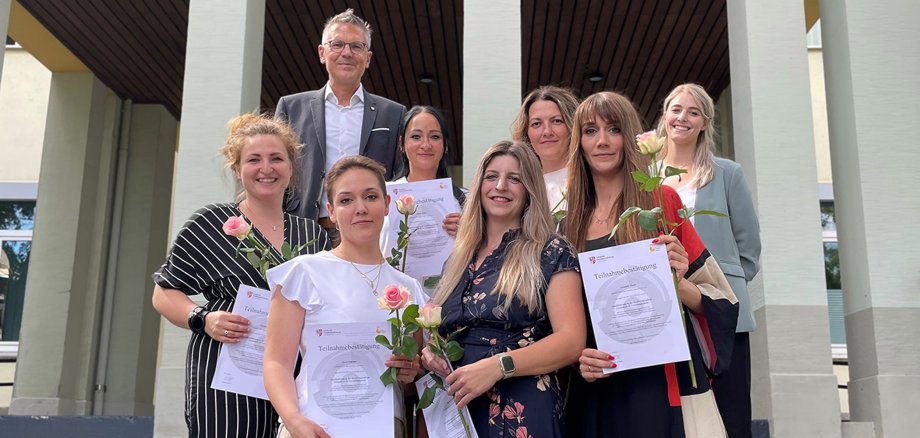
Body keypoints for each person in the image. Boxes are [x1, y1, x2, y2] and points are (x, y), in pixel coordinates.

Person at [561, 91, 739, 437]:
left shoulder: (662, 202)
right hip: (598, 382)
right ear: (578, 142)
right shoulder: (567, 223)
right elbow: (560, 319)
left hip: (661, 378)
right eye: (590, 131)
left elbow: (721, 298)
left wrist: (677, 280)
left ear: (629, 137)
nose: (602, 141)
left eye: (613, 129)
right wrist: (578, 359)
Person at [151, 114, 330, 438]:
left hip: (293, 379)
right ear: (237, 169)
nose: (266, 168)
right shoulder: (210, 222)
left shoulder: (312, 235)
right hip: (226, 376)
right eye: (253, 160)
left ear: (291, 167)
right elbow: (163, 293)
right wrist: (203, 318)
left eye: (277, 158)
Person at [421, 141, 586, 437]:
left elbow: (571, 340)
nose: (500, 186)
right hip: (459, 413)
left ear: (530, 189)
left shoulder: (551, 250)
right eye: (491, 176)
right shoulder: (458, 258)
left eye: (515, 179)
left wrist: (499, 366)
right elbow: (444, 331)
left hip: (520, 410)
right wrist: (431, 352)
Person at [263, 156, 426, 438]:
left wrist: (410, 372)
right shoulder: (303, 273)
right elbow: (276, 362)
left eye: (371, 196)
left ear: (387, 205)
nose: (360, 208)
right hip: (313, 427)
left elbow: (414, 380)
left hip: (385, 428)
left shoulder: (409, 288)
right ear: (331, 211)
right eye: (346, 200)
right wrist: (292, 420)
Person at [656, 83, 761, 438]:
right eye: (675, 109)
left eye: (693, 112)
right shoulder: (646, 177)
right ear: (664, 116)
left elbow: (749, 250)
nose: (681, 118)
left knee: (730, 412)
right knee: (681, 413)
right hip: (667, 312)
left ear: (704, 123)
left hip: (720, 312)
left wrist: (721, 287)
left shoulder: (728, 174)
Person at [275, 9, 406, 231]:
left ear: (368, 58)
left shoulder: (393, 114)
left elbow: (402, 177)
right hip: (304, 230)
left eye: (356, 46)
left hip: (370, 233)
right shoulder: (291, 108)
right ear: (322, 53)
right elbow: (277, 172)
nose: (346, 53)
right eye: (337, 45)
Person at [511, 86, 580, 213]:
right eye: (536, 124)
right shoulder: (520, 187)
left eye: (557, 121)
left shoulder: (592, 180)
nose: (547, 131)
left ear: (573, 127)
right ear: (527, 133)